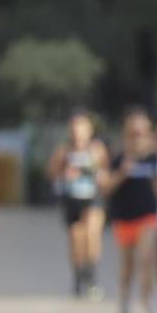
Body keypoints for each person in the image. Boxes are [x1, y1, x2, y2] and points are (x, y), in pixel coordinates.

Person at [102, 110, 157, 313]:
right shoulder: (118, 157)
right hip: (124, 217)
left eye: (142, 133)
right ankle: (125, 298)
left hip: (147, 216)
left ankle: (150, 307)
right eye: (134, 133)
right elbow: (106, 187)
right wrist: (122, 172)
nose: (138, 137)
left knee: (146, 260)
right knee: (128, 266)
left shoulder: (155, 158)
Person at [48, 111, 109, 299]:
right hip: (71, 198)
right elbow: (51, 173)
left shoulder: (97, 149)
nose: (78, 132)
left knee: (92, 234)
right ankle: (77, 276)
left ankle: (91, 276)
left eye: (82, 128)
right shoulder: (64, 151)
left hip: (92, 198)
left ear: (90, 130)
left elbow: (106, 173)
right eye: (74, 128)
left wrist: (95, 172)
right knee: (76, 238)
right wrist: (64, 173)